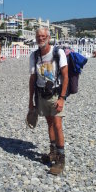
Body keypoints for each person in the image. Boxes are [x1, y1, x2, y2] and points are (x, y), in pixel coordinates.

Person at [29, 28, 68, 175]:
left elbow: (66, 76)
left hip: (56, 95)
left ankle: (61, 158)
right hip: (41, 95)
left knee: (58, 125)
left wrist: (62, 98)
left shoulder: (58, 53)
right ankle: (52, 151)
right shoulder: (34, 56)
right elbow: (32, 79)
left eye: (43, 36)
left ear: (49, 37)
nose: (41, 38)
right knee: (50, 123)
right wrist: (30, 102)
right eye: (38, 36)